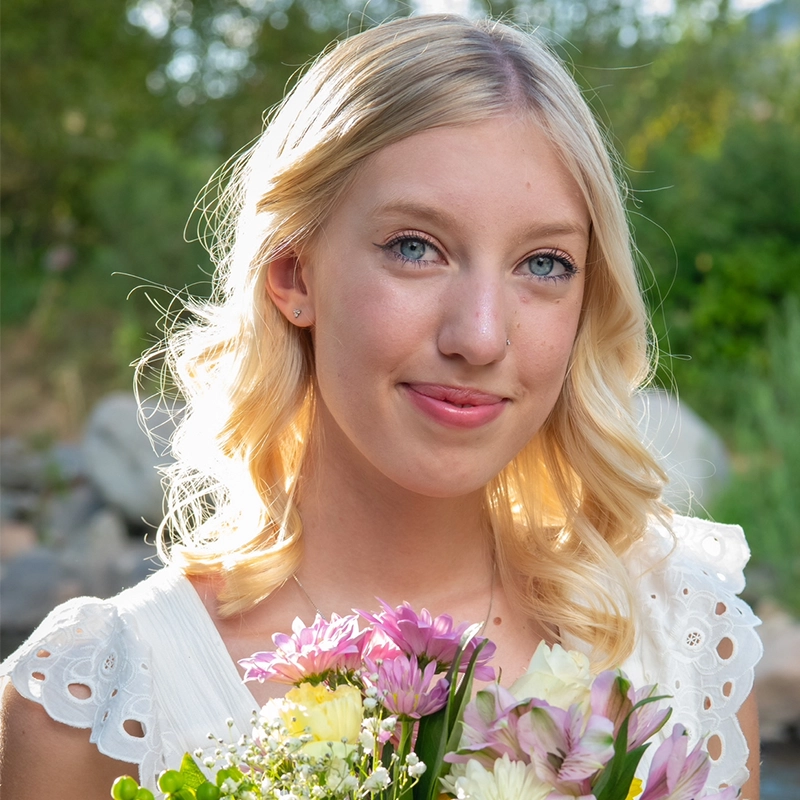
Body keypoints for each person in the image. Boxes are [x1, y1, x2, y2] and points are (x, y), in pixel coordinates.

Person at [0, 14, 761, 799]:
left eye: (544, 263)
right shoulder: (94, 705)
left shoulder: (685, 643)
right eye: (415, 247)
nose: (480, 336)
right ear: (294, 273)